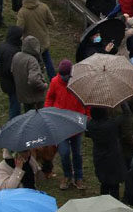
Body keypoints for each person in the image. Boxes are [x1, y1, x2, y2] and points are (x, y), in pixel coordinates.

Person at [44, 59, 88, 190]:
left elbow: (86, 99)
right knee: (63, 153)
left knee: (77, 153)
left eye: (66, 76)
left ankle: (78, 177)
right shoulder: (55, 82)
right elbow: (50, 98)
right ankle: (67, 176)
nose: (63, 79)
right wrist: (48, 112)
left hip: (76, 123)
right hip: (60, 124)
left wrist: (87, 115)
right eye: (61, 76)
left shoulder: (79, 82)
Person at [85, 107, 127, 198]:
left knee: (104, 183)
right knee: (114, 184)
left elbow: (87, 134)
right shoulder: (111, 125)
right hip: (113, 157)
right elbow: (125, 115)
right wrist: (124, 103)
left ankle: (103, 203)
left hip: (99, 156)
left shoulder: (90, 124)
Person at [16, 0, 56, 78]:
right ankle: (53, 78)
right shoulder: (43, 7)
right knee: (47, 61)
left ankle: (37, 80)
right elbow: (52, 21)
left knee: (33, 64)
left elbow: (19, 29)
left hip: (30, 44)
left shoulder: (22, 12)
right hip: (43, 41)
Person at [11, 35, 47, 112]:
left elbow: (12, 71)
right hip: (34, 97)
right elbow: (34, 80)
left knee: (28, 116)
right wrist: (43, 85)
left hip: (23, 95)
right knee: (39, 118)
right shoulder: (32, 60)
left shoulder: (17, 55)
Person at [0, 25, 23, 118]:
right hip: (12, 83)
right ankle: (13, 123)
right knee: (15, 106)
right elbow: (9, 70)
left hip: (6, 81)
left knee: (14, 103)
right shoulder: (12, 51)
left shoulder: (3, 45)